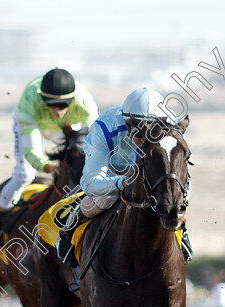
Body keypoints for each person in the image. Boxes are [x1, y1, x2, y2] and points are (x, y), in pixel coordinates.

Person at [55, 87, 193, 267]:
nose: (146, 138)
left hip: (152, 177)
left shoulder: (171, 124)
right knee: (102, 200)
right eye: (140, 132)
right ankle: (69, 230)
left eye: (153, 132)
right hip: (114, 175)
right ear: (127, 125)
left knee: (171, 196)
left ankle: (183, 231)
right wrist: (122, 182)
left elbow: (183, 176)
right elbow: (90, 183)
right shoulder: (104, 127)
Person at [0, 68, 98, 247]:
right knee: (24, 175)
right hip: (33, 123)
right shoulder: (31, 101)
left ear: (73, 100)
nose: (57, 111)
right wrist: (47, 166)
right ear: (42, 99)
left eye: (63, 105)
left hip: (68, 126)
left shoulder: (85, 103)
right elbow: (31, 151)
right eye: (51, 105)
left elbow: (96, 142)